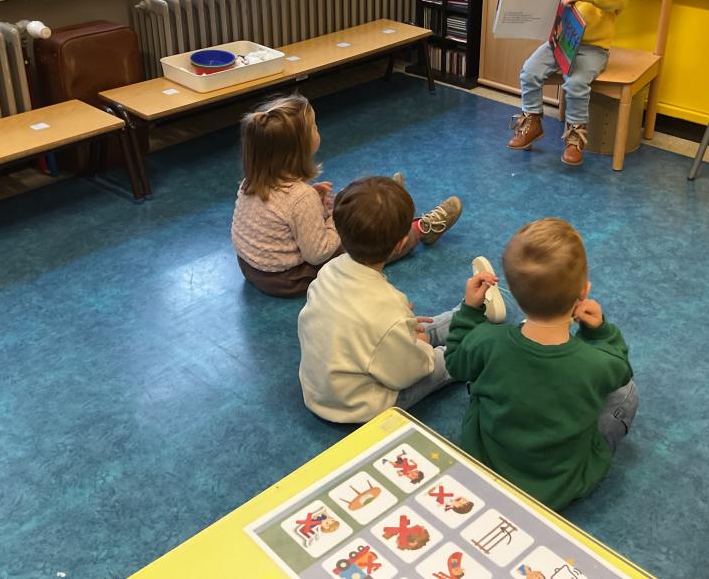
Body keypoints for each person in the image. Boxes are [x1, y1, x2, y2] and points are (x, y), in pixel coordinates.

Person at [443, 218, 637, 510]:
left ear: (514, 294)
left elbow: (455, 362)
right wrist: (599, 332)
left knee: (481, 373)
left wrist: (470, 311)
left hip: (487, 465)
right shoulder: (597, 363)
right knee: (627, 392)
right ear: (583, 292)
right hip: (563, 485)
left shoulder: (486, 340)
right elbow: (620, 366)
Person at [231, 94, 463, 298]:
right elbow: (318, 254)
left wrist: (315, 203)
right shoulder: (300, 197)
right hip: (291, 278)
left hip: (252, 269)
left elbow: (281, 216)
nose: (317, 129)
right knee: (363, 242)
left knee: (349, 219)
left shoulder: (251, 182)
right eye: (313, 127)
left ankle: (386, 205)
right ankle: (419, 229)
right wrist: (335, 217)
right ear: (298, 148)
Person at [297, 177, 466, 422]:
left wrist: (402, 329)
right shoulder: (388, 312)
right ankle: (473, 344)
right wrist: (419, 345)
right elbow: (409, 372)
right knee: (444, 360)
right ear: (401, 244)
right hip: (357, 405)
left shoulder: (328, 271)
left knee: (413, 329)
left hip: (320, 388)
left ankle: (466, 314)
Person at [507, 0, 630, 165]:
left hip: (592, 49)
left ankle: (575, 137)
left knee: (575, 84)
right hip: (560, 43)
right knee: (529, 72)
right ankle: (532, 121)